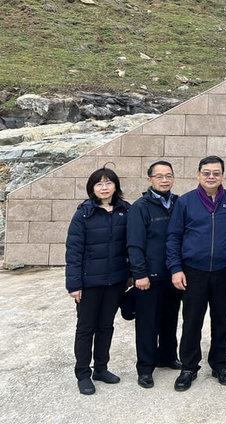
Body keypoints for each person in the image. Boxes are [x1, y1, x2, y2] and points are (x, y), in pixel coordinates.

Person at [166, 156, 226, 391]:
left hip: (223, 270)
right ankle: (189, 367)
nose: (211, 177)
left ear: (223, 176)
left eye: (216, 173)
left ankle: (220, 364)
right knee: (192, 321)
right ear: (198, 175)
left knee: (221, 320)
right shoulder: (185, 202)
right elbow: (174, 237)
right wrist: (176, 269)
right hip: (193, 272)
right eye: (206, 172)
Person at [65, 166, 130, 395]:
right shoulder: (84, 213)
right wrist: (74, 285)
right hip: (89, 283)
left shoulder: (125, 210)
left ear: (116, 186)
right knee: (85, 328)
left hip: (115, 281)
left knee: (106, 326)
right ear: (92, 188)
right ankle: (83, 373)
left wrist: (130, 275)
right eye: (99, 183)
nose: (104, 187)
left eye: (109, 182)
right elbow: (73, 251)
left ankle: (101, 368)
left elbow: (131, 246)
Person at [127, 160, 183, 389]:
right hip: (149, 277)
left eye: (168, 175)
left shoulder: (179, 203)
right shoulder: (140, 207)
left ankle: (167, 357)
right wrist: (139, 273)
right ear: (149, 180)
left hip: (173, 275)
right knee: (147, 324)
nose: (164, 180)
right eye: (159, 176)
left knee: (170, 319)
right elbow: (134, 244)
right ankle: (145, 368)